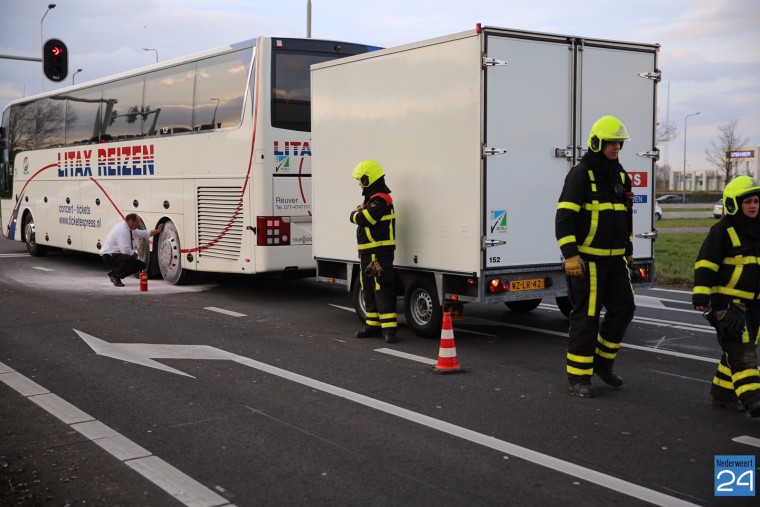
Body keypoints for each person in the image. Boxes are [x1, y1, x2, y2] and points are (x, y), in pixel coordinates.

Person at [555, 115, 636, 398]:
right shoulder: (581, 174)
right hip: (587, 261)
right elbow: (564, 217)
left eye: (619, 143)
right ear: (596, 142)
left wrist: (628, 251)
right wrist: (570, 255)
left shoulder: (621, 175)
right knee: (586, 318)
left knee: (625, 309)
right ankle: (579, 377)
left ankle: (603, 364)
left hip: (614, 261)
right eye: (612, 142)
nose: (616, 148)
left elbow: (625, 216)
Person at [693, 176, 760, 417]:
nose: (753, 205)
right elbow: (705, 265)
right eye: (748, 202)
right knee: (743, 354)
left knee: (740, 349)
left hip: (755, 306)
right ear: (734, 204)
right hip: (729, 306)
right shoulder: (721, 231)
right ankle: (754, 400)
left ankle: (722, 394)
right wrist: (701, 297)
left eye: (756, 201)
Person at [350, 160, 398, 343]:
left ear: (368, 179)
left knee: (381, 287)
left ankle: (389, 330)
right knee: (368, 287)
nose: (359, 184)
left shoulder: (381, 199)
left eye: (360, 180)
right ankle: (372, 325)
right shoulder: (372, 200)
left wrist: (354, 214)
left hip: (379, 254)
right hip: (368, 254)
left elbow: (366, 218)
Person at [101, 213, 163, 287]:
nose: (138, 225)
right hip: (109, 256)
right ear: (131, 221)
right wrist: (135, 254)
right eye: (137, 222)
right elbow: (125, 250)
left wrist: (158, 231)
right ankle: (116, 277)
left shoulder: (129, 228)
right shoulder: (122, 229)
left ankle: (114, 273)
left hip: (117, 255)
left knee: (141, 265)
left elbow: (144, 233)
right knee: (130, 259)